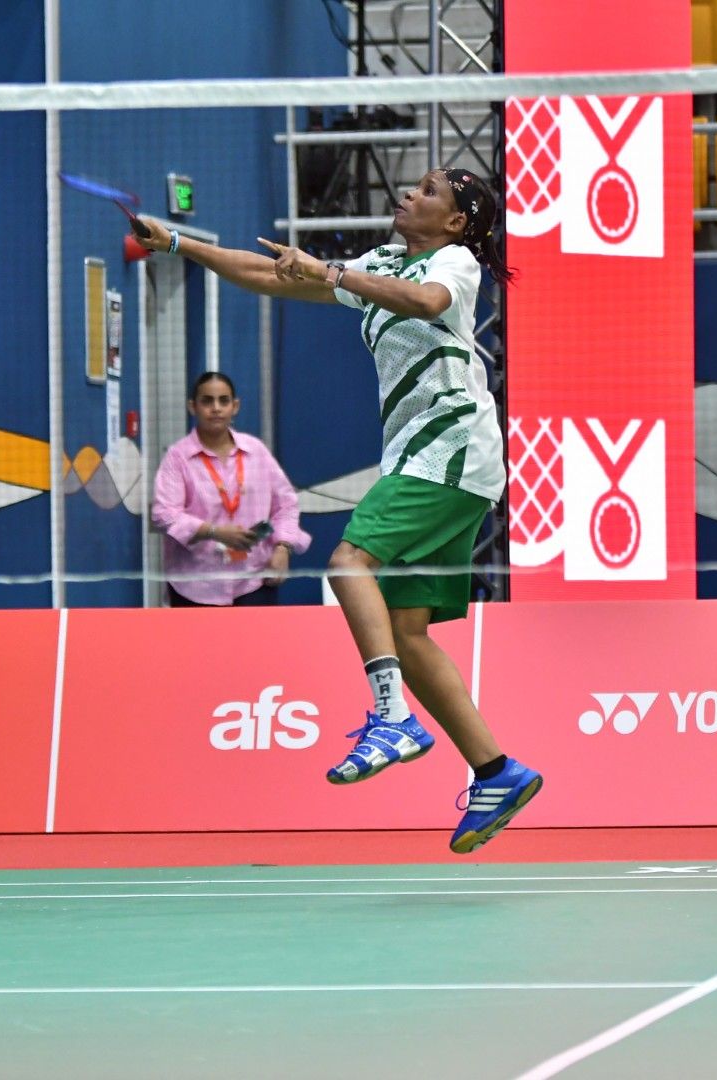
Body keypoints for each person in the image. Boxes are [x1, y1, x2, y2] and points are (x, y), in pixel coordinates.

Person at [136, 169, 541, 854]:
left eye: (429, 191)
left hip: (448, 451)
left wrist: (329, 271)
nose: (410, 194)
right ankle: (497, 771)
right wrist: (179, 243)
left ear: (455, 222)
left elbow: (424, 301)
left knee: (349, 562)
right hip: (436, 461)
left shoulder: (454, 263)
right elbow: (268, 277)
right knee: (407, 633)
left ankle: (392, 717)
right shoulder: (383, 262)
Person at [152, 371, 310, 608]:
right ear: (192, 407)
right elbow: (164, 514)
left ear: (235, 406)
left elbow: (286, 504)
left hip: (254, 581)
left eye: (223, 401)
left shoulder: (256, 451)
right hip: (196, 586)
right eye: (207, 401)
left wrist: (283, 548)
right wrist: (214, 532)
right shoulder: (178, 458)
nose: (216, 408)